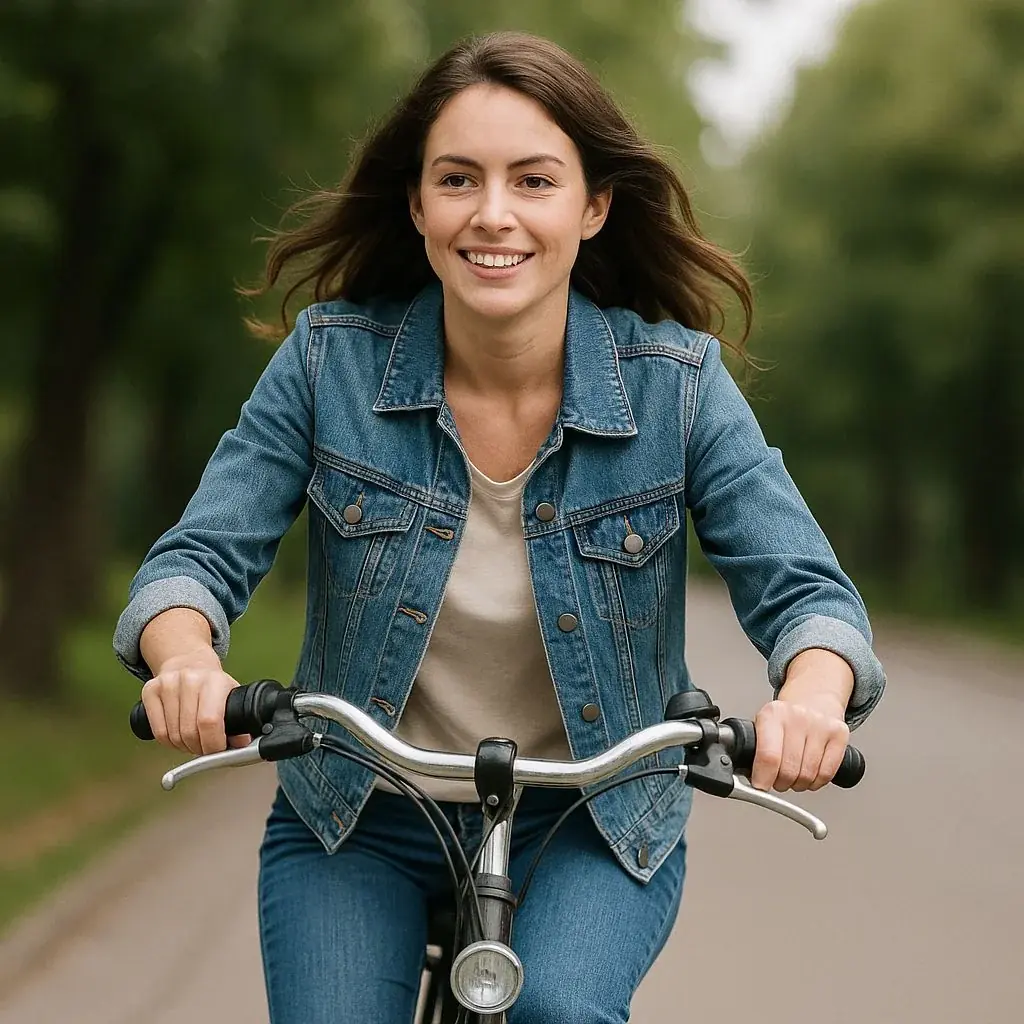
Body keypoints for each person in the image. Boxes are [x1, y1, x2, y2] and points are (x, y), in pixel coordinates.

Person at [114, 30, 885, 1024]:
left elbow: (808, 595)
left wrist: (810, 698)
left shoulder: (679, 388)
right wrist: (187, 661)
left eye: (533, 180)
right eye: (457, 179)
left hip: (591, 819)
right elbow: (196, 560)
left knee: (556, 1007)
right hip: (359, 814)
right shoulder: (327, 364)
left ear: (592, 206)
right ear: (417, 203)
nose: (492, 214)